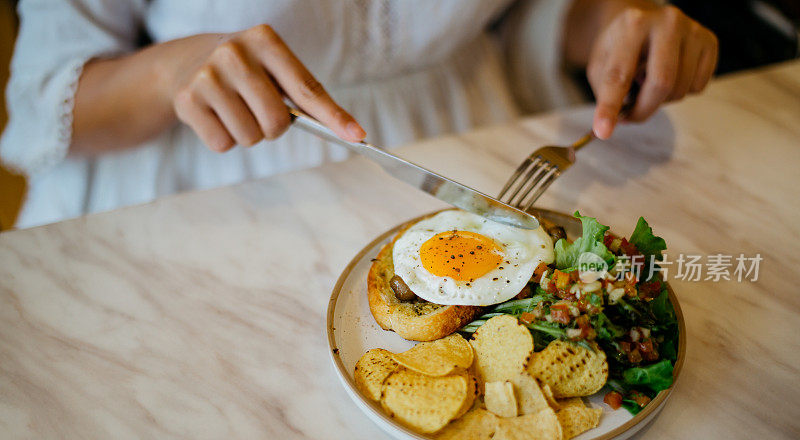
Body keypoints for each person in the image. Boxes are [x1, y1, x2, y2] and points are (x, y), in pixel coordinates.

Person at [0, 0, 717, 228]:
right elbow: (43, 104)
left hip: (474, 138)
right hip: (207, 183)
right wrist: (170, 70)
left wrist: (618, 24)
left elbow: (520, 14)